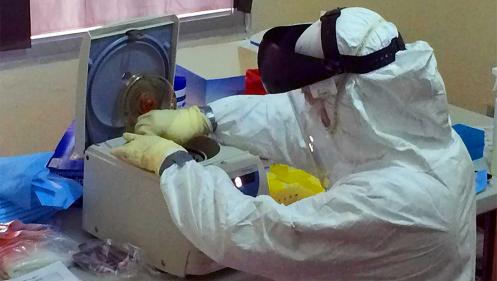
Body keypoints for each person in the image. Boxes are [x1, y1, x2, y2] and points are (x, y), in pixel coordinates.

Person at [112, 7, 476, 281]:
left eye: (317, 97)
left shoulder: (396, 201)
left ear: (351, 96)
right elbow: (294, 120)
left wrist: (173, 165)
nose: (311, 106)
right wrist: (205, 118)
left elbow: (254, 233)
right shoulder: (412, 134)